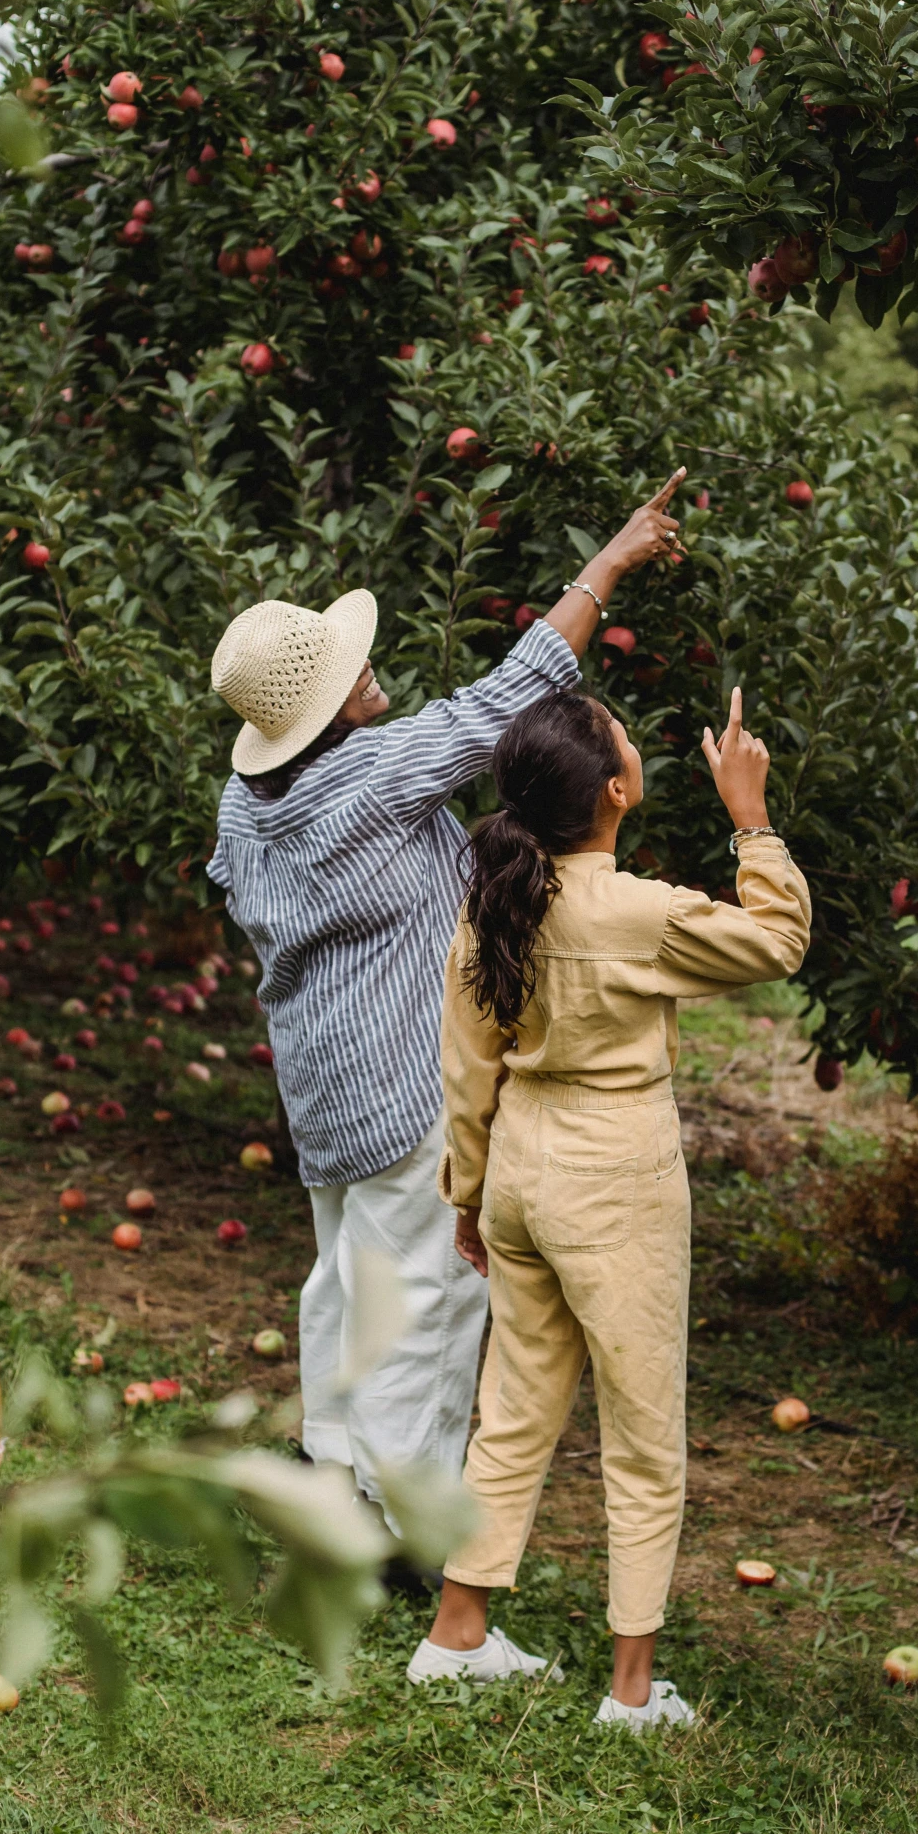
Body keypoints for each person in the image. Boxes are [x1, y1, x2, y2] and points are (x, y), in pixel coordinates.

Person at [206, 475, 685, 1565]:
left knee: (344, 1288)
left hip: (324, 1086)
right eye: (351, 671)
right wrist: (604, 567)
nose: (368, 669)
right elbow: (505, 699)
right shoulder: (373, 776)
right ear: (328, 713)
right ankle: (420, 1537)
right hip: (411, 1087)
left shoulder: (249, 803)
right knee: (424, 1308)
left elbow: (244, 889)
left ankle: (339, 1485)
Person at [409, 685, 811, 1725]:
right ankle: (631, 1691)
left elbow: (468, 1069)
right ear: (617, 791)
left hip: (522, 1175)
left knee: (513, 1410)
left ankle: (457, 1631)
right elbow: (775, 944)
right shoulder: (636, 910)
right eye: (631, 745)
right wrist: (751, 820)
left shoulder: (495, 898)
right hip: (614, 1176)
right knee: (640, 1431)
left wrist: (468, 1193)